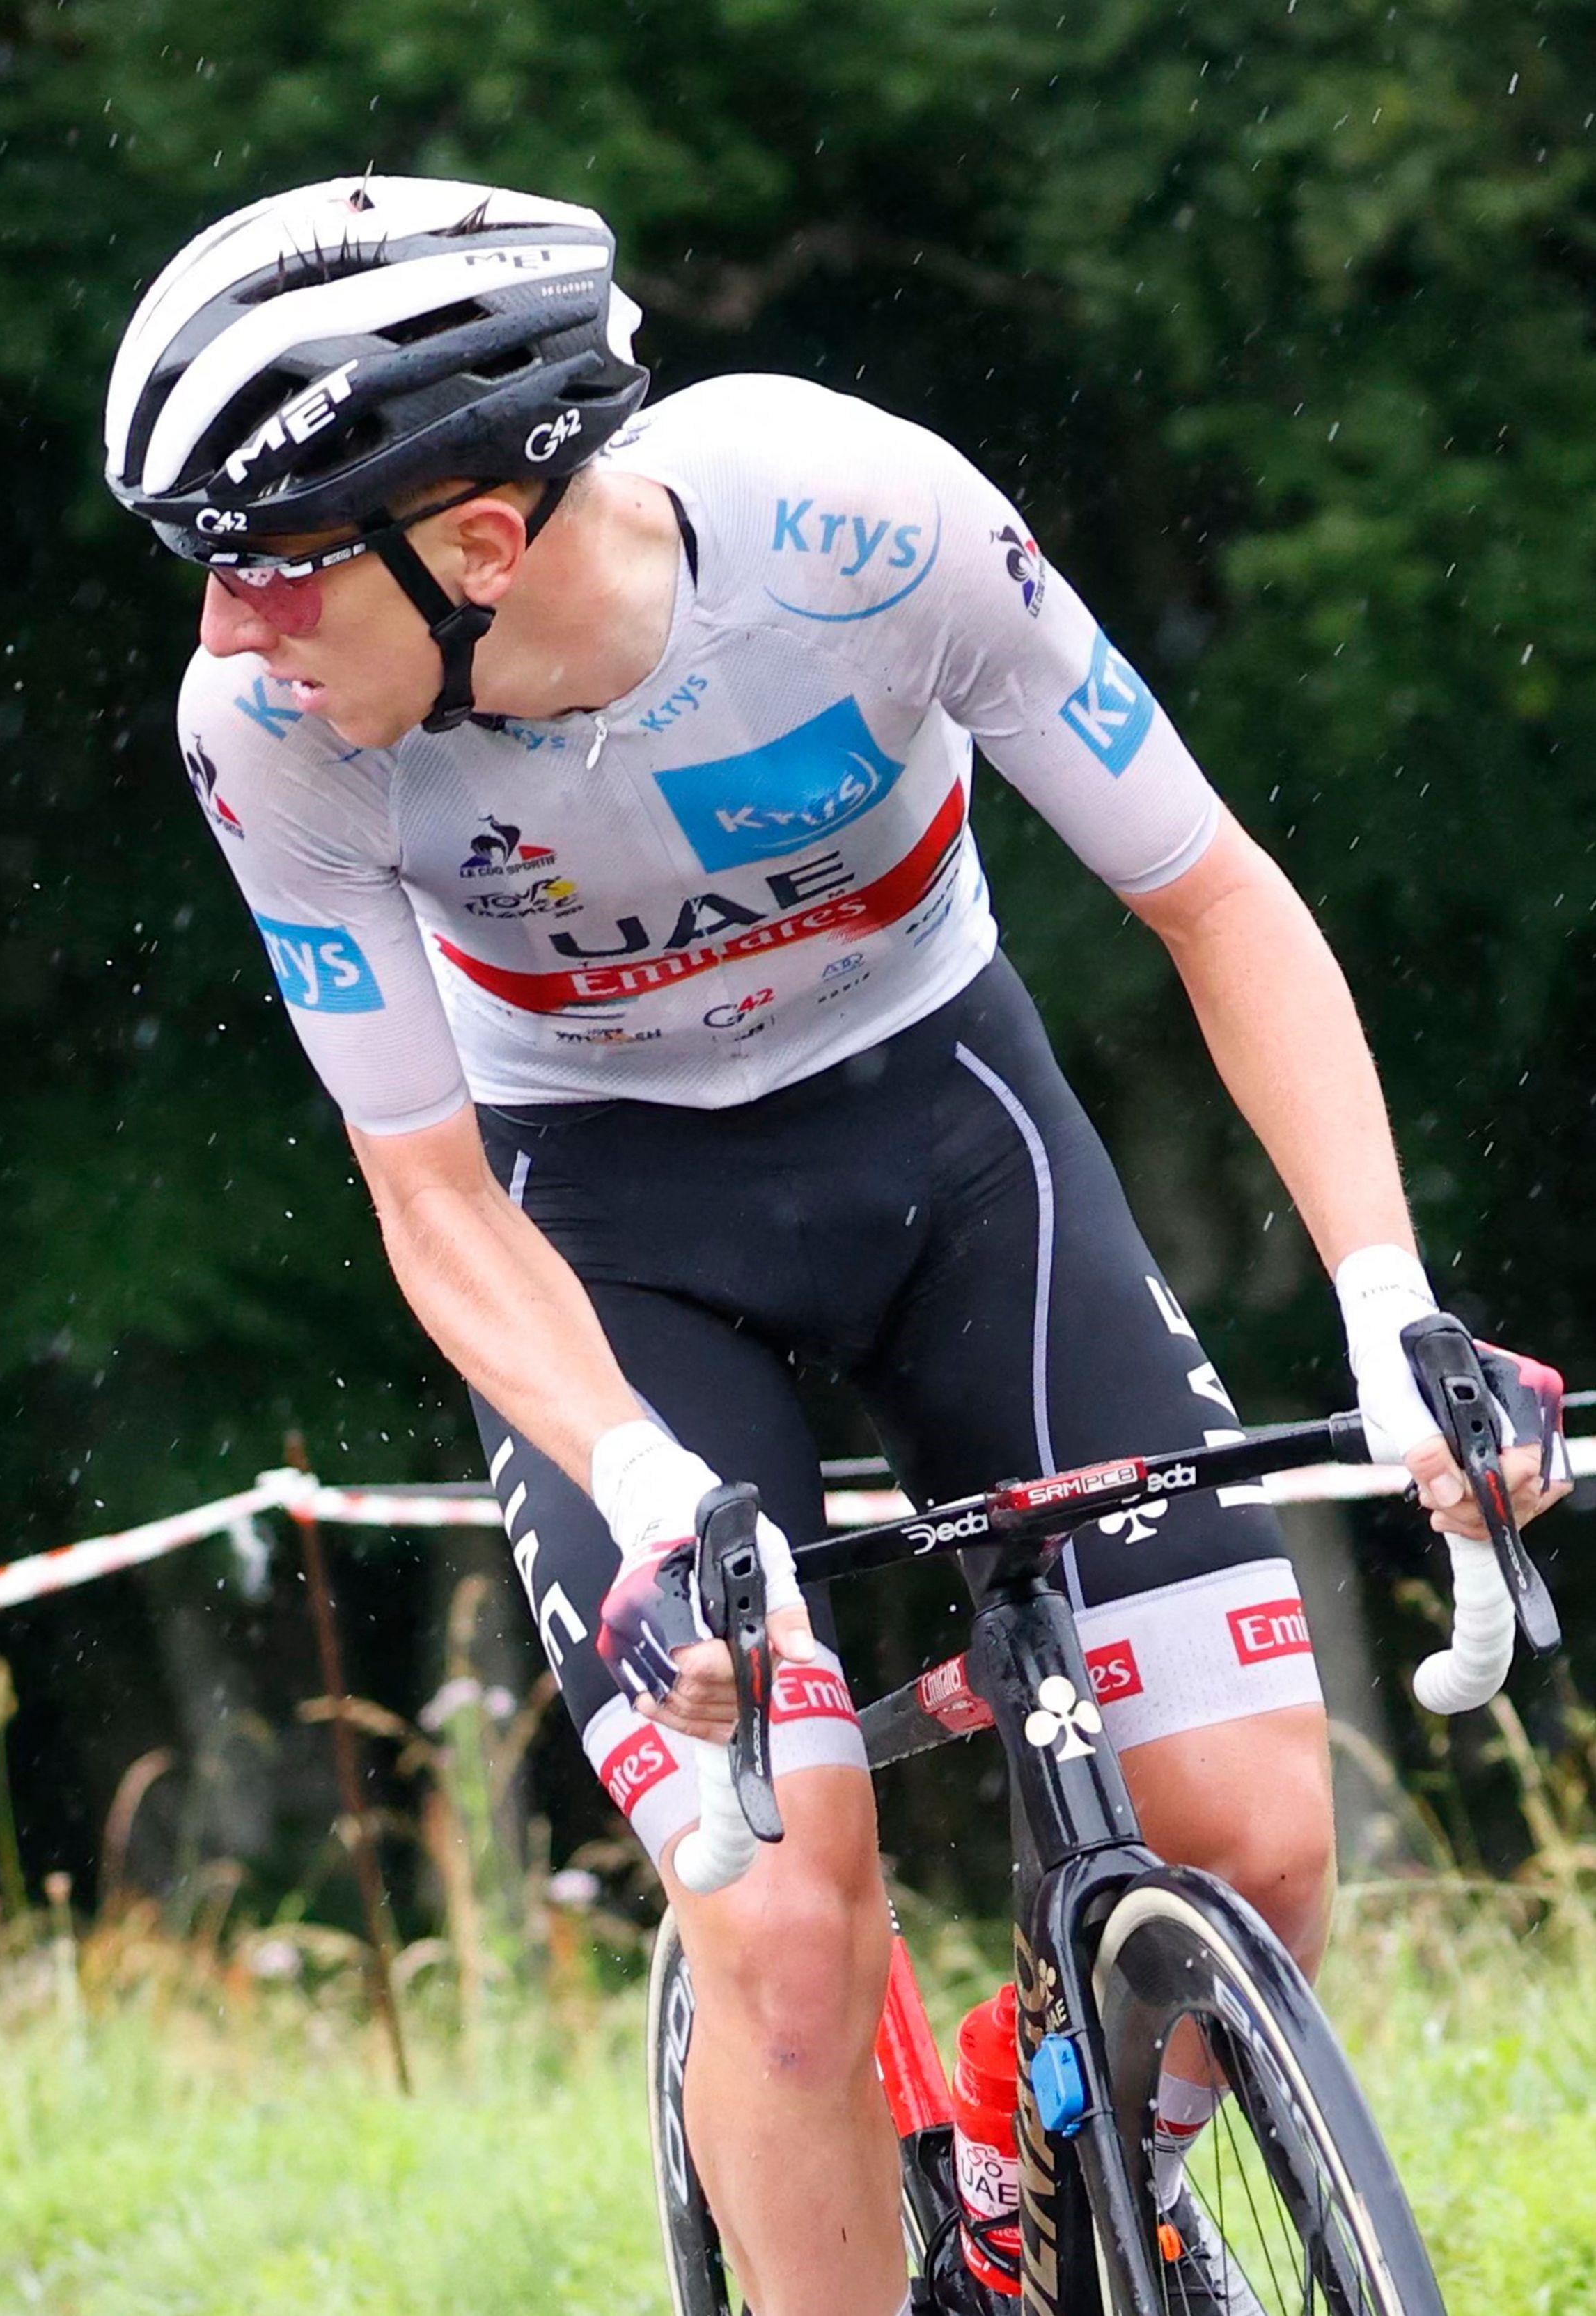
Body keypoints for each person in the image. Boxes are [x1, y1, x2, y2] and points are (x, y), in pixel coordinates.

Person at [102, 178, 1563, 2315]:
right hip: (604, 1235)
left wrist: (1380, 1298)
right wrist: (631, 1473)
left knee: (1249, 1830)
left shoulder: (861, 533)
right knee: (783, 1925)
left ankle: (1039, 2171)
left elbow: (1213, 897)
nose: (226, 632)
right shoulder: (264, 735)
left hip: (950, 1143)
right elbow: (425, 1194)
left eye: (267, 570)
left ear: (479, 541)